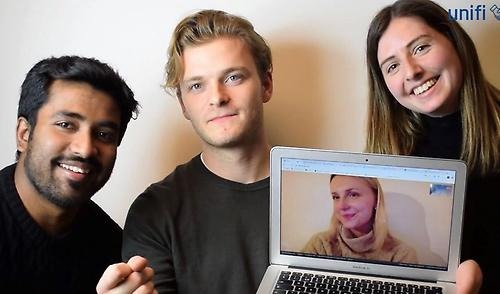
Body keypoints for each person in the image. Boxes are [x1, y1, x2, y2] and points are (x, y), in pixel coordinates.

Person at [122, 10, 273, 294]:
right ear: (183, 104)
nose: (217, 97)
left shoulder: (325, 189)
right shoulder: (154, 213)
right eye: (196, 85)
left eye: (233, 78)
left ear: (266, 84)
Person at [365, 0, 499, 292]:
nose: (411, 71)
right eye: (392, 66)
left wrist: (477, 279)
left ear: (455, 42)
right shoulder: (388, 153)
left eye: (420, 48)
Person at [0, 55, 154, 293]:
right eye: (66, 125)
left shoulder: (112, 248)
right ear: (24, 134)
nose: (85, 149)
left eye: (103, 134)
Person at [303, 175, 417, 263]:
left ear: (376, 199)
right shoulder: (321, 245)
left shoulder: (401, 254)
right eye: (336, 197)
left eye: (353, 195)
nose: (341, 206)